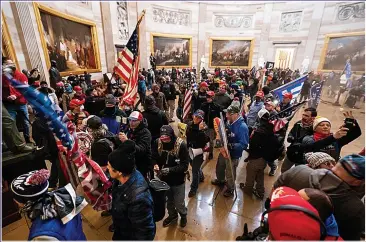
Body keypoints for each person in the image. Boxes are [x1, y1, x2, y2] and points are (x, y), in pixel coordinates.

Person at [274, 154, 365, 240]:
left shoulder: (299, 170)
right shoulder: (356, 208)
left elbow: (272, 195)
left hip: (278, 228)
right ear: (357, 182)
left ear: (336, 164)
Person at [11, 170, 87, 240]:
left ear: (24, 203)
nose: (14, 201)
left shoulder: (42, 236)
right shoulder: (63, 198)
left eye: (16, 199)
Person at [108, 140, 156, 240]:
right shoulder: (121, 177)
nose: (107, 168)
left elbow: (145, 233)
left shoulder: (138, 199)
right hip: (121, 231)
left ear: (119, 172)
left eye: (110, 167)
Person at [152, 125, 189, 228]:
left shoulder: (181, 145)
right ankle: (172, 216)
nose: (165, 141)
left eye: (167, 138)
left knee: (179, 203)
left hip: (178, 181)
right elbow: (153, 156)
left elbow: (185, 165)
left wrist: (170, 170)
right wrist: (154, 164)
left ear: (172, 135)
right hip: (164, 180)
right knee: (169, 201)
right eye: (163, 138)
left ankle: (183, 215)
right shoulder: (157, 143)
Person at [243, 109, 283, 199]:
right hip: (264, 159)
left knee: (250, 176)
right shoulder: (270, 129)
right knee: (260, 175)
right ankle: (260, 192)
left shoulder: (259, 132)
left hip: (256, 158)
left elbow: (253, 145)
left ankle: (247, 191)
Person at [212, 104, 249, 197]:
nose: (227, 116)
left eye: (229, 114)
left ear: (236, 114)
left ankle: (230, 188)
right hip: (224, 150)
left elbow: (244, 144)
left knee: (230, 172)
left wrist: (232, 146)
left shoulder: (242, 127)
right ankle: (220, 180)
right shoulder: (229, 122)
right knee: (220, 166)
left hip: (233, 155)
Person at [2, 58, 31, 143]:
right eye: (8, 64)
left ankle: (27, 139)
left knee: (26, 122)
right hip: (9, 104)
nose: (11, 65)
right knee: (11, 123)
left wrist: (16, 95)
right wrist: (6, 97)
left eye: (12, 63)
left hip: (21, 102)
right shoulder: (2, 77)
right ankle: (18, 142)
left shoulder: (21, 76)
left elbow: (24, 89)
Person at [281, 107, 317, 173]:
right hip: (292, 152)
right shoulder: (298, 124)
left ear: (313, 118)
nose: (303, 117)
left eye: (306, 116)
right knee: (284, 170)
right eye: (303, 114)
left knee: (298, 173)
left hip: (303, 156)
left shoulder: (315, 129)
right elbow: (291, 132)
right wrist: (290, 137)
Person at [120, 111, 152, 180]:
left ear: (140, 121)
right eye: (130, 120)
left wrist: (127, 141)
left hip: (142, 165)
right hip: (130, 163)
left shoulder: (145, 133)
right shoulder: (129, 129)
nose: (131, 122)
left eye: (134, 121)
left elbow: (141, 150)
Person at [186, 110, 210, 197]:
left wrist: (200, 131)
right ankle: (202, 176)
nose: (196, 118)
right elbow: (188, 136)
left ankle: (193, 189)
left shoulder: (204, 128)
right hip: (190, 149)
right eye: (196, 116)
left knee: (194, 171)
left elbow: (205, 142)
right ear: (193, 116)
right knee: (193, 165)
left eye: (199, 117)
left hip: (199, 151)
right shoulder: (189, 124)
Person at [201, 91, 222, 160]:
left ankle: (210, 153)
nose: (208, 99)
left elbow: (218, 118)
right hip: (203, 125)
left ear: (213, 98)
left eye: (209, 97)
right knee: (202, 140)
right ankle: (202, 152)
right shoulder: (203, 105)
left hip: (211, 127)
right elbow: (201, 115)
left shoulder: (216, 107)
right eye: (207, 97)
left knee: (211, 141)